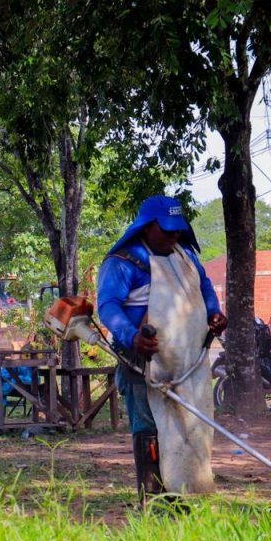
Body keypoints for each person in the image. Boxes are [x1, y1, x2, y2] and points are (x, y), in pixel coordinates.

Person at [97, 195, 227, 506]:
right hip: (143, 360)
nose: (174, 236)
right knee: (151, 427)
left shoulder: (186, 257)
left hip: (188, 361)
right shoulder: (123, 262)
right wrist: (132, 337)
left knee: (189, 424)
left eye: (177, 230)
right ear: (148, 226)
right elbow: (108, 307)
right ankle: (153, 498)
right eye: (167, 230)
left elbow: (204, 286)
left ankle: (183, 492)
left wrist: (214, 311)